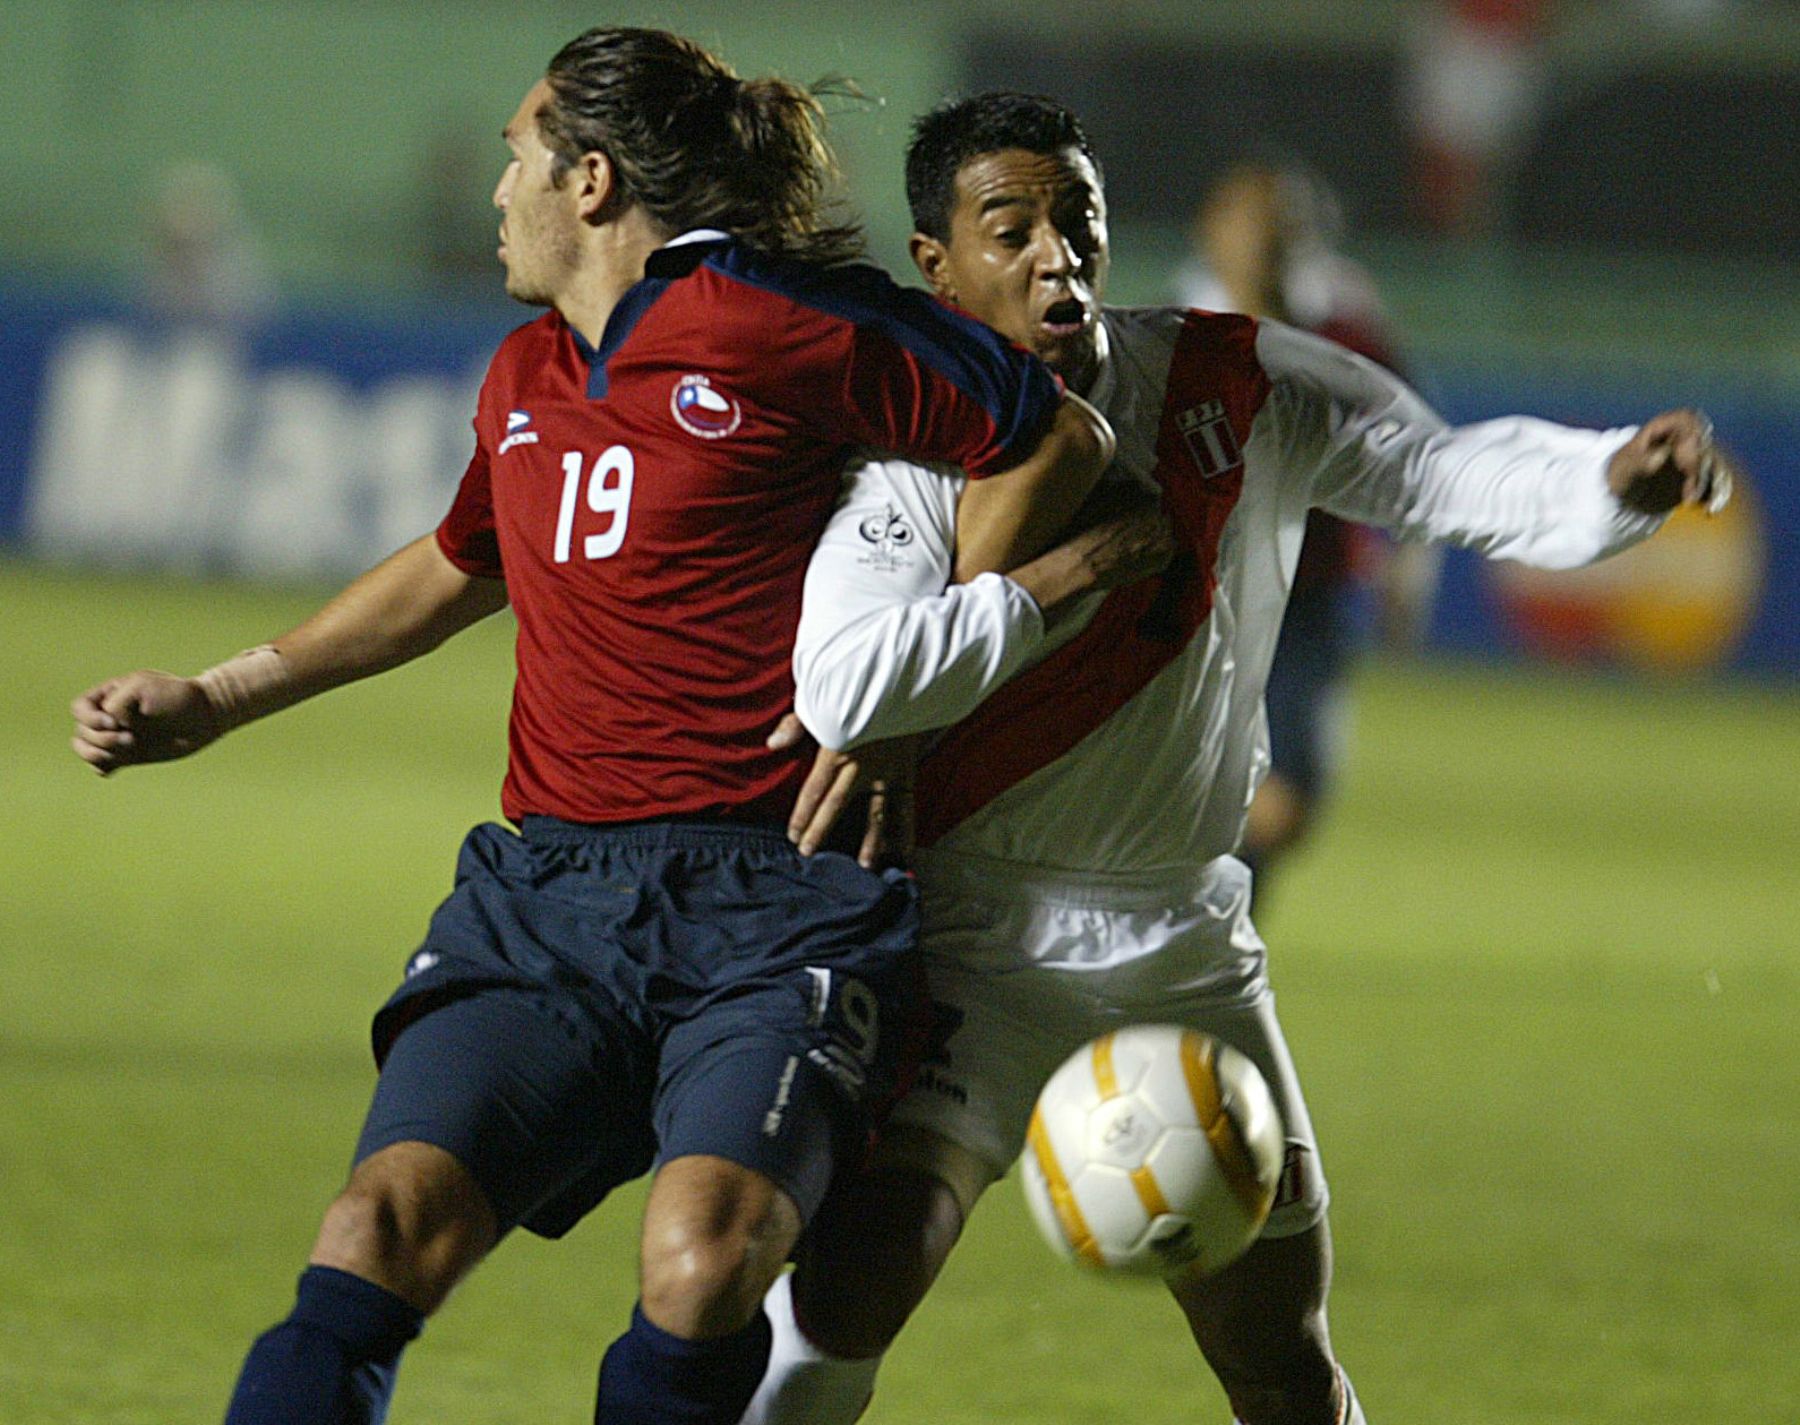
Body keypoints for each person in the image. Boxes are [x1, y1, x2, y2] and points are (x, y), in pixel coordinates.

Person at [68, 34, 1116, 1425]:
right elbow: (455, 567)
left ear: (592, 181)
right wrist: (217, 694)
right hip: (551, 901)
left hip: (777, 906)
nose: (501, 190)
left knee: (704, 1260)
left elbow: (1054, 439)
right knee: (374, 1230)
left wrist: (908, 695)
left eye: (518, 158)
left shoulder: (769, 322)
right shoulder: (526, 376)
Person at [737, 93, 1730, 1425]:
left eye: (1075, 221)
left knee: (1278, 1348)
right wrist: (1070, 569)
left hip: (1185, 946)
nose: (1056, 257)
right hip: (974, 937)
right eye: (1011, 228)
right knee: (846, 1294)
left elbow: (1434, 471)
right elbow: (848, 680)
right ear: (939, 262)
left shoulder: (1231, 380)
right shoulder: (912, 452)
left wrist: (1614, 478)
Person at [1179, 159, 1441, 900]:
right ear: (1215, 234)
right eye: (1256, 228)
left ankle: (1208, 931)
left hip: (1311, 593)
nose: (1270, 245)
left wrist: (1409, 562)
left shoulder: (1347, 327)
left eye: (1285, 230)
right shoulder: (1178, 327)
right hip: (1205, 601)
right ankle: (1197, 947)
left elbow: (1419, 444)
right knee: (1206, 793)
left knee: (1288, 798)